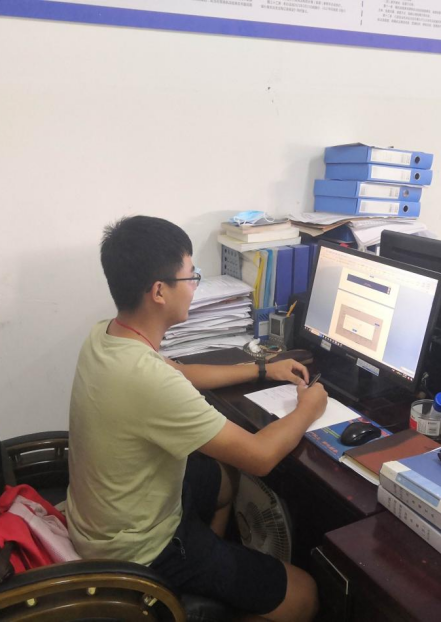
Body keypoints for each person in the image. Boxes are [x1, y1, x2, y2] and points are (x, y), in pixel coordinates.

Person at [67, 215, 328, 621]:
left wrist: (262, 369)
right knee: (305, 594)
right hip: (142, 551)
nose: (195, 286)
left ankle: (206, 572)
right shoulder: (147, 380)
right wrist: (310, 407)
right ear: (159, 291)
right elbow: (260, 456)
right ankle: (194, 577)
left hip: (106, 521)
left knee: (224, 477)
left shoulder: (106, 335)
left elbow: (179, 372)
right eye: (191, 277)